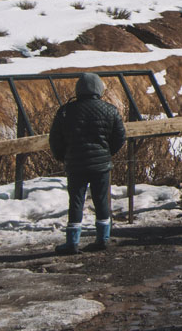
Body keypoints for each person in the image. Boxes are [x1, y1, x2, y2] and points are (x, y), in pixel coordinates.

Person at [49, 72, 126, 254]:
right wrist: (107, 153)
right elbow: (120, 137)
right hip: (101, 164)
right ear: (99, 89)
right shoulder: (109, 110)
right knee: (101, 200)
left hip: (75, 164)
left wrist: (63, 156)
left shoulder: (66, 111)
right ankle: (103, 238)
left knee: (76, 201)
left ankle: (72, 242)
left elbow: (55, 140)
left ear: (78, 89)